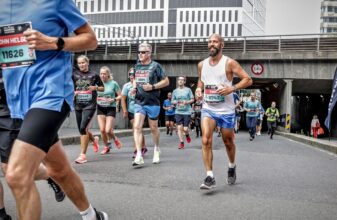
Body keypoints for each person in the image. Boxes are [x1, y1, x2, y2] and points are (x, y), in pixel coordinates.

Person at [0, 0, 108, 219]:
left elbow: (90, 39)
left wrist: (53, 42)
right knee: (59, 170)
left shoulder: (56, 1)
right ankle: (91, 215)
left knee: (17, 174)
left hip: (50, 93)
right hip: (16, 101)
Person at [197, 34, 252, 190]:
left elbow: (248, 79)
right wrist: (198, 89)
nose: (211, 44)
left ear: (222, 45)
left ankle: (232, 166)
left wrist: (231, 88)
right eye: (209, 41)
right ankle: (209, 176)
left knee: (228, 142)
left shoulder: (229, 63)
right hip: (208, 108)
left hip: (226, 110)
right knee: (206, 140)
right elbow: (201, 80)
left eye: (215, 41)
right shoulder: (202, 64)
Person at [132, 42, 169, 167]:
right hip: (139, 101)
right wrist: (133, 88)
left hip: (153, 102)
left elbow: (166, 81)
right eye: (139, 52)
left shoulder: (155, 66)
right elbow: (135, 80)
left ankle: (156, 148)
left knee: (153, 128)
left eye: (143, 52)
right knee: (137, 127)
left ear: (149, 53)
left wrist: (153, 86)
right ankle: (139, 155)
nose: (140, 54)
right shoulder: (137, 66)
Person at [73, 55, 104, 163]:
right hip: (78, 105)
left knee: (83, 128)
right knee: (82, 129)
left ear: (87, 62)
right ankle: (94, 139)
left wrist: (94, 87)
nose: (81, 65)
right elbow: (70, 86)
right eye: (79, 63)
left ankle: (82, 155)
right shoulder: (74, 74)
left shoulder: (94, 75)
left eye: (83, 62)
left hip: (89, 105)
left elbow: (102, 87)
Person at [121, 68, 147, 158]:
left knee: (138, 128)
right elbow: (123, 99)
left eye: (134, 74)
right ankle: (140, 148)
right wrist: (124, 110)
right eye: (131, 74)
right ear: (129, 76)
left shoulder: (142, 84)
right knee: (136, 128)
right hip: (131, 110)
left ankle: (139, 148)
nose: (132, 76)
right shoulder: (126, 86)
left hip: (141, 108)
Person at [97, 66, 123, 155]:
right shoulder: (97, 83)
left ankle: (115, 139)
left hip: (110, 108)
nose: (102, 75)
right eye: (101, 73)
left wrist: (114, 100)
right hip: (100, 107)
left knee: (108, 130)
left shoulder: (113, 83)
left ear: (108, 74)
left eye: (104, 73)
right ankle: (106, 146)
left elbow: (121, 95)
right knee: (102, 130)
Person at [172, 76, 194, 149]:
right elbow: (172, 101)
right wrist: (176, 102)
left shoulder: (188, 90)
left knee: (185, 129)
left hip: (187, 111)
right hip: (178, 111)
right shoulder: (175, 91)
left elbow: (192, 99)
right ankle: (181, 142)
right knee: (179, 127)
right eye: (179, 80)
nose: (180, 81)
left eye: (182, 80)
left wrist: (187, 102)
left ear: (184, 82)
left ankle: (187, 134)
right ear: (178, 81)